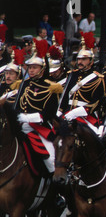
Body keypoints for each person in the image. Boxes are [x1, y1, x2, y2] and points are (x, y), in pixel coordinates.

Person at [16, 41, 63, 175]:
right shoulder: (23, 84)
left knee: (51, 159)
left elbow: (49, 113)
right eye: (30, 67)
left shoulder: (51, 86)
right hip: (20, 125)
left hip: (40, 128)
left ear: (42, 69)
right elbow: (18, 105)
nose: (31, 70)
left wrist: (27, 117)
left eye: (35, 67)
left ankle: (58, 191)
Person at [59, 36, 105, 133]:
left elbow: (96, 103)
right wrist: (60, 111)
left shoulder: (98, 78)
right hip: (67, 112)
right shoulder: (72, 74)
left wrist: (76, 112)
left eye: (84, 59)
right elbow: (65, 95)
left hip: (85, 115)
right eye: (79, 59)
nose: (80, 62)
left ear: (91, 61)